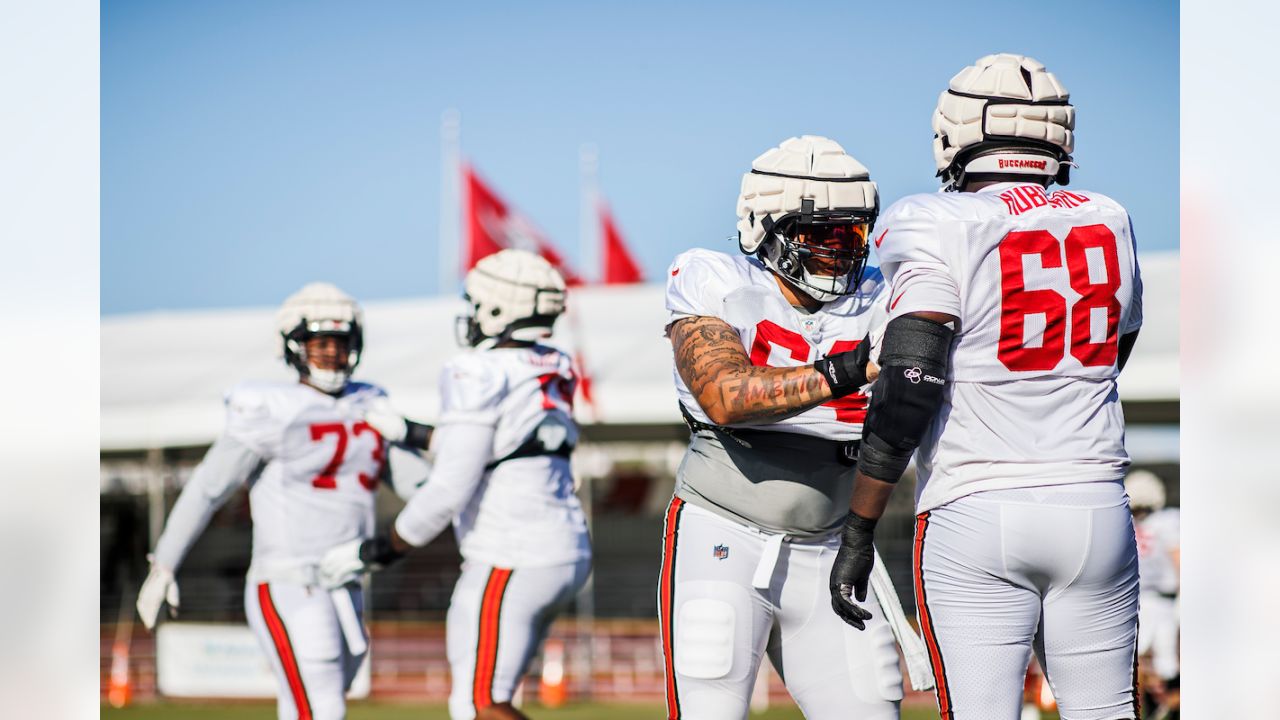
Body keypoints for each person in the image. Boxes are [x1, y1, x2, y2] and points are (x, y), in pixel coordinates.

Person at [827, 53, 1145, 720]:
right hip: (1095, 500)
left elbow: (911, 380)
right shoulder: (1109, 217)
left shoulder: (938, 219)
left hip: (977, 505)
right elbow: (1116, 350)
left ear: (953, 133)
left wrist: (860, 528)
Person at [659, 135, 912, 720]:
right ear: (762, 226)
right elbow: (724, 396)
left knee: (872, 710)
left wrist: (861, 532)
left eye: (851, 233)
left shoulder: (886, 292)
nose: (839, 250)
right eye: (819, 233)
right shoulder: (714, 278)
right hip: (721, 533)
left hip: (832, 541)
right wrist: (851, 368)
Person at [135, 282, 432, 720]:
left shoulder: (370, 403)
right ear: (295, 346)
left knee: (315, 703)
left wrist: (420, 435)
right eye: (320, 342)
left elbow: (427, 489)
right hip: (288, 579)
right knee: (321, 706)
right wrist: (165, 562)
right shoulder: (269, 407)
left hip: (347, 578)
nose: (332, 353)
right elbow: (209, 487)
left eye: (341, 341)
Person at [320, 249, 592, 720]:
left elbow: (450, 487)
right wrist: (411, 432)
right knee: (478, 697)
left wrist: (379, 550)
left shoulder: (476, 370)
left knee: (481, 704)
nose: (468, 314)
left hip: (512, 554)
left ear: (498, 309)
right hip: (563, 548)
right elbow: (504, 445)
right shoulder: (554, 363)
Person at [1126, 469, 1180, 708]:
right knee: (1168, 664)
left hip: (1137, 600)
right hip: (1164, 601)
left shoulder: (1125, 524)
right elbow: (1178, 558)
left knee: (1139, 663)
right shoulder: (1167, 522)